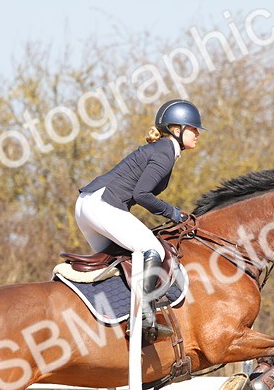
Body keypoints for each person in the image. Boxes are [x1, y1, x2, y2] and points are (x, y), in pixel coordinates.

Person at [74, 98, 205, 344]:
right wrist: (174, 213)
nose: (198, 133)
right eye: (193, 128)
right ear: (177, 129)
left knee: (119, 262)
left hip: (87, 205)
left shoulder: (163, 150)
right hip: (102, 205)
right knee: (152, 248)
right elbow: (141, 195)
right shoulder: (165, 151)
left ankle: (111, 320)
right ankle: (144, 317)